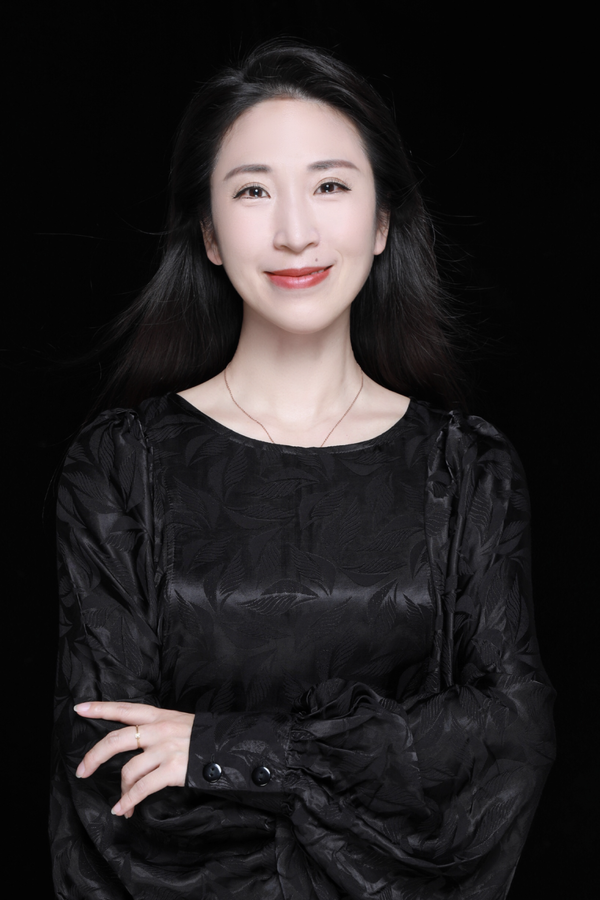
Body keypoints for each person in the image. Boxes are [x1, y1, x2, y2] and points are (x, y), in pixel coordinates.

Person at [50, 40, 555, 899]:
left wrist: (225, 750)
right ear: (209, 233)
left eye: (330, 186)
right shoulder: (118, 467)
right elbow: (108, 781)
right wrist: (362, 780)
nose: (294, 232)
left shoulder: (468, 469)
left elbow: (513, 733)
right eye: (253, 191)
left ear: (383, 221)